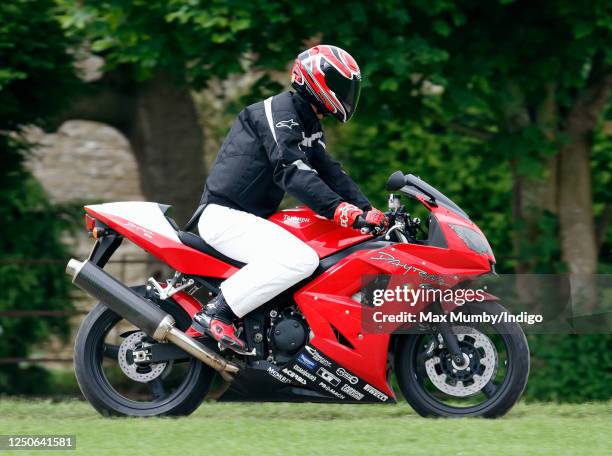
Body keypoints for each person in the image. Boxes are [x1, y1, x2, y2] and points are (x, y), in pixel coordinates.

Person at [192, 45, 388, 352]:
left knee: (313, 251)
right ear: (316, 81)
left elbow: (330, 171)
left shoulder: (307, 123)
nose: (347, 94)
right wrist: (341, 210)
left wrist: (368, 211)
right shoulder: (277, 112)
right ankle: (217, 313)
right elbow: (292, 170)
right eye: (339, 85)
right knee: (301, 259)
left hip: (248, 219)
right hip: (225, 216)